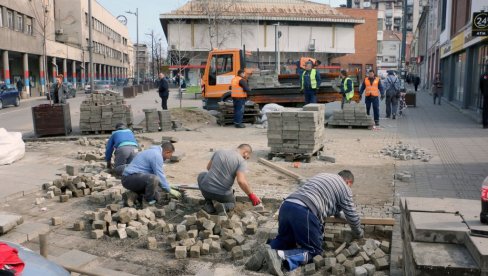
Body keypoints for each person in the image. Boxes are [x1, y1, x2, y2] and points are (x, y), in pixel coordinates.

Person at [245, 171, 363, 275]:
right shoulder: (345, 188)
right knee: (314, 251)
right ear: (348, 182)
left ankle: (266, 250)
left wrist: (340, 215)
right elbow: (352, 215)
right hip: (305, 211)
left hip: (287, 206)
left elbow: (336, 210)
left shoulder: (323, 176)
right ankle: (279, 256)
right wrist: (358, 233)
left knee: (285, 240)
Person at [197, 144, 261, 214]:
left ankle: (209, 203)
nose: (246, 159)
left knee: (202, 175)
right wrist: (251, 195)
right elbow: (241, 181)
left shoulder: (219, 152)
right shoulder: (241, 161)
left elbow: (208, 168)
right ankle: (224, 207)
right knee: (232, 203)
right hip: (222, 195)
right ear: (246, 153)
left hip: (206, 190)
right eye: (247, 157)